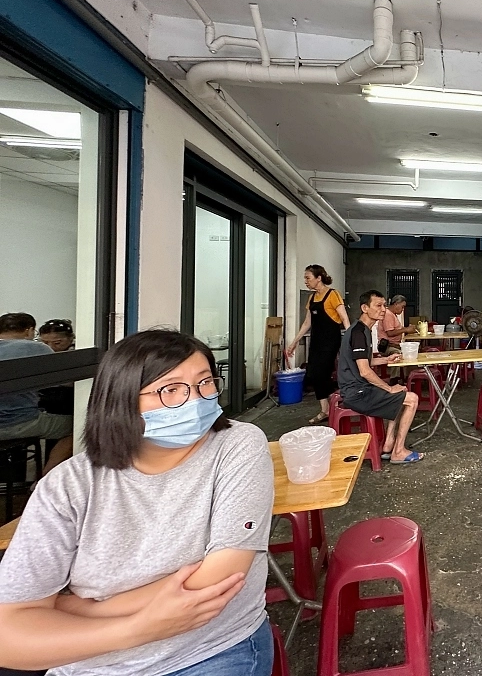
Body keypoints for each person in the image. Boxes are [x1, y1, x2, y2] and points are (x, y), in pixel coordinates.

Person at [0, 328, 275, 675]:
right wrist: (138, 628)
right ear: (122, 400)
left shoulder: (236, 444)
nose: (195, 400)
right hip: (87, 664)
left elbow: (222, 577)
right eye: (171, 389)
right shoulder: (68, 485)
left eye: (205, 383)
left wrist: (84, 609)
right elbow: (10, 634)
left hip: (206, 653)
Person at [337, 290, 422, 465]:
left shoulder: (363, 330)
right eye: (378, 305)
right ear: (364, 308)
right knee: (411, 399)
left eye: (384, 305)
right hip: (356, 392)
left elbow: (364, 361)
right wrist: (389, 388)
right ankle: (398, 451)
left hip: (359, 388)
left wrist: (385, 359)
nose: (383, 309)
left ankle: (388, 444)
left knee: (402, 391)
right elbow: (364, 371)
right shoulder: (359, 333)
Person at [0, 313, 76, 476]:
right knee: (78, 427)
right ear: (29, 330)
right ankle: (45, 480)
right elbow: (61, 380)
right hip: (18, 423)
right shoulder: (36, 348)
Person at [285, 265, 351, 424]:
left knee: (323, 373)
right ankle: (326, 410)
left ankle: (333, 406)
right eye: (305, 278)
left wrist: (350, 339)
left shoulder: (333, 294)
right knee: (313, 374)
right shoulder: (312, 298)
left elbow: (344, 318)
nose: (306, 281)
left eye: (308, 278)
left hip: (330, 341)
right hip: (316, 341)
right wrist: (294, 342)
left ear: (319, 278)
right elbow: (307, 323)